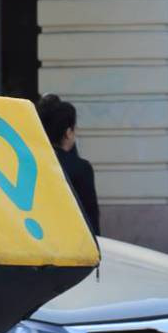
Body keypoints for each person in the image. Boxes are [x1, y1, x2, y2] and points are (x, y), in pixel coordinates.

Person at [38, 93, 100, 236]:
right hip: (71, 244)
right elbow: (91, 220)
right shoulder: (81, 169)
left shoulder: (33, 163)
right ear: (68, 132)